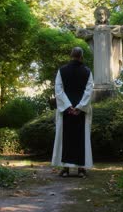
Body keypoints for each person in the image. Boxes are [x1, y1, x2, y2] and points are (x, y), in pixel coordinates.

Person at [51, 47, 94, 178]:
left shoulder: (62, 71)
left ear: (71, 56)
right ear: (81, 57)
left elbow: (58, 90)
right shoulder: (87, 72)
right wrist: (79, 107)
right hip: (81, 111)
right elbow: (89, 91)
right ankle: (81, 169)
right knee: (82, 138)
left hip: (66, 110)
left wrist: (68, 106)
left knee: (65, 138)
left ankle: (65, 169)